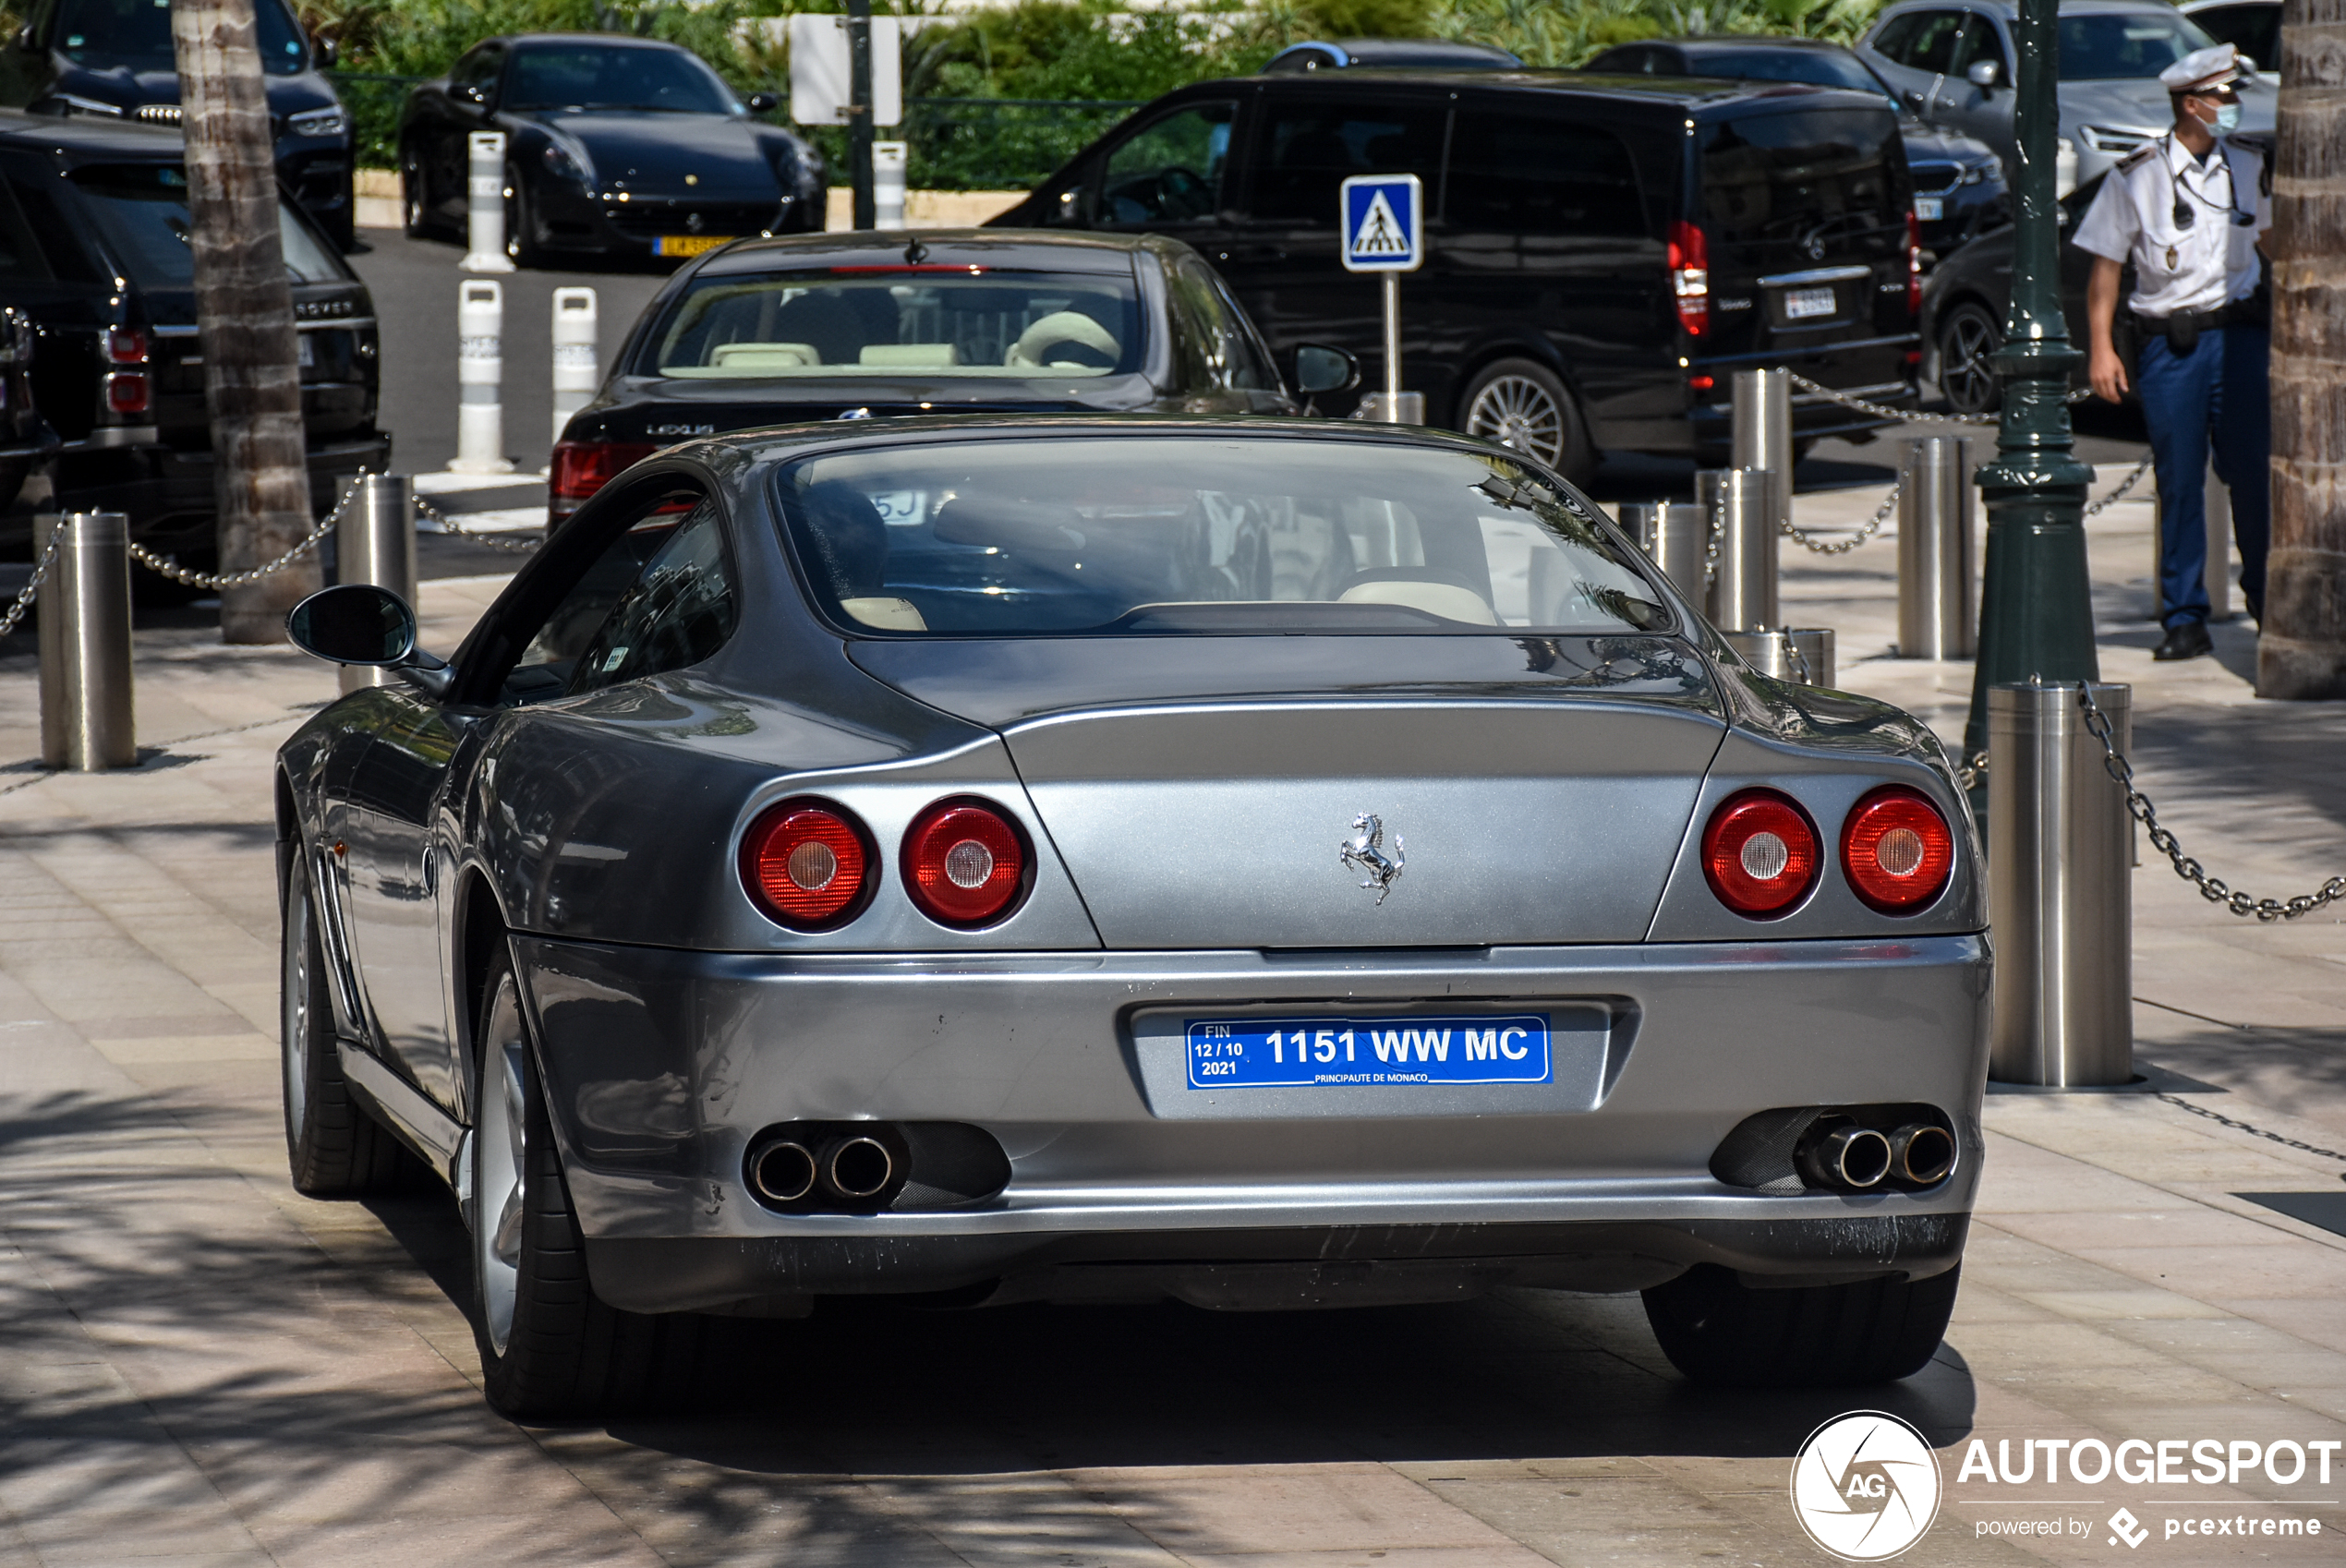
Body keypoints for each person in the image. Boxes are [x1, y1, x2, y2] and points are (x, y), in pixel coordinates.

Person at [2074, 42, 2270, 662]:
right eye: (2223, 96)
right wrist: (2102, 349)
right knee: (2180, 482)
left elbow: (2271, 243)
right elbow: (2105, 270)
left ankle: (2270, 603)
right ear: (2192, 104)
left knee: (2254, 478)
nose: (2233, 105)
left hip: (2239, 338)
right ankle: (2184, 616)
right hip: (2172, 346)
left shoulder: (2247, 165)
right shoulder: (2137, 177)